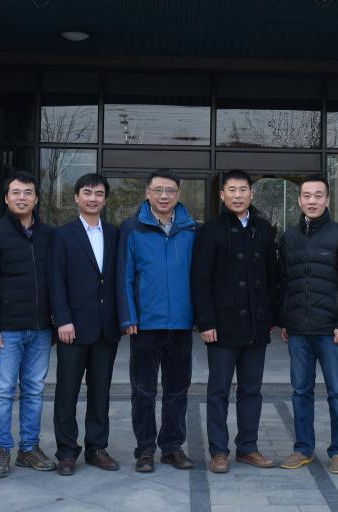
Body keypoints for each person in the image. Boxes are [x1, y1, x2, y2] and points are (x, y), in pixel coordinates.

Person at [191, 169, 278, 474]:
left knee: (251, 390)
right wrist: (205, 322)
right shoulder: (210, 230)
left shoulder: (263, 229)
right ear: (222, 195)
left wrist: (272, 316)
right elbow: (200, 281)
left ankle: (248, 448)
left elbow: (272, 278)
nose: (238, 195)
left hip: (256, 325)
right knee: (218, 391)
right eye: (232, 190)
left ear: (251, 194)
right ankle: (218, 451)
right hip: (222, 326)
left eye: (243, 190)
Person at [277, 174, 338, 475]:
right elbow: (284, 283)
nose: (312, 201)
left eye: (318, 195)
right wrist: (285, 320)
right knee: (300, 392)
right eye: (306, 196)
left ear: (327, 199)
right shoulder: (289, 238)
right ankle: (303, 448)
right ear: (299, 200)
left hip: (331, 332)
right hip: (298, 332)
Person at [117, 169, 199, 473]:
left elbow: (199, 277)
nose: (164, 196)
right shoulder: (132, 228)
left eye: (170, 191)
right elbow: (124, 275)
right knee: (143, 391)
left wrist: (200, 317)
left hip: (180, 324)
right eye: (158, 190)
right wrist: (128, 316)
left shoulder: (191, 229)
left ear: (178, 194)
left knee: (177, 390)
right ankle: (145, 449)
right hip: (145, 324)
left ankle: (172, 447)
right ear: (147, 193)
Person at [0, 171, 56, 478]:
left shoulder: (48, 235)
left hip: (40, 329)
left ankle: (29, 448)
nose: (22, 198)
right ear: (6, 198)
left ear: (36, 198)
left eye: (28, 193)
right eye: (16, 192)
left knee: (34, 389)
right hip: (5, 331)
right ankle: (1, 449)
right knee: (3, 390)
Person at [49, 173, 121, 476]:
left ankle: (96, 447)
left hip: (106, 327)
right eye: (87, 193)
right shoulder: (62, 235)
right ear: (76, 198)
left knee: (100, 391)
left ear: (105, 199)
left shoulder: (116, 234)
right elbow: (56, 280)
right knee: (67, 391)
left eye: (99, 194)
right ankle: (67, 451)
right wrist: (62, 320)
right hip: (73, 328)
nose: (93, 198)